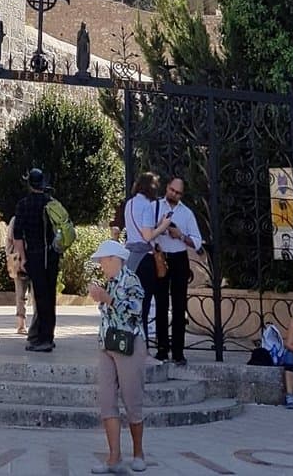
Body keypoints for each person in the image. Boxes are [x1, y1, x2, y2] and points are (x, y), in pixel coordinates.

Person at [88, 239, 149, 474]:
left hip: (130, 344)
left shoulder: (131, 280)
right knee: (106, 400)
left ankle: (138, 453)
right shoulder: (109, 281)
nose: (101, 264)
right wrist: (102, 297)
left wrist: (107, 298)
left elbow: (135, 310)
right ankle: (113, 457)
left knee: (133, 399)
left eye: (103, 260)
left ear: (114, 260)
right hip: (107, 344)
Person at [153, 176, 204, 365]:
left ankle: (178, 352)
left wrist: (180, 235)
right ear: (167, 188)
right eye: (172, 190)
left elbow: (197, 241)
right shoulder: (156, 207)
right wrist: (160, 227)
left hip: (180, 258)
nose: (174, 194)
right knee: (160, 305)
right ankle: (161, 349)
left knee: (179, 306)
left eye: (178, 192)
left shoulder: (187, 213)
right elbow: (146, 233)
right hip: (161, 257)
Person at [11, 166, 61, 352]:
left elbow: (17, 236)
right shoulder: (51, 203)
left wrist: (23, 258)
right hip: (53, 255)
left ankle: (41, 339)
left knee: (40, 297)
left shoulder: (23, 205)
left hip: (35, 254)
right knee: (50, 296)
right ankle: (49, 335)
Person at [123, 172, 174, 343]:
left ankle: (130, 341)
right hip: (145, 257)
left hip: (131, 259)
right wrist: (164, 226)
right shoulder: (147, 206)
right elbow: (147, 236)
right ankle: (142, 347)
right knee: (144, 306)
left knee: (132, 302)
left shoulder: (129, 203)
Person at [5, 214, 30, 335]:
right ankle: (21, 325)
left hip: (35, 259)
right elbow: (10, 240)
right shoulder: (16, 220)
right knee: (21, 295)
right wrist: (11, 257)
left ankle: (37, 324)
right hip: (18, 260)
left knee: (37, 296)